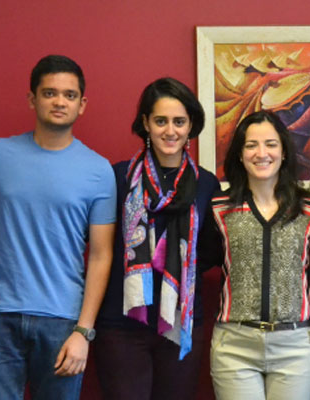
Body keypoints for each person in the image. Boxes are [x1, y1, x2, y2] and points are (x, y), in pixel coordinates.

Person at [0, 55, 116, 400]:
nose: (59, 102)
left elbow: (100, 255)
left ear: (82, 105)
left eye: (69, 95)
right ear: (32, 99)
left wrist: (84, 331)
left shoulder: (98, 171)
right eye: (49, 93)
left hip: (63, 321)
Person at [93, 77, 220, 400]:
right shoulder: (119, 177)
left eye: (179, 122)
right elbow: (99, 245)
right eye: (161, 121)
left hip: (181, 322)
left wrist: (170, 269)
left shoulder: (205, 184)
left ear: (191, 125)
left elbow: (211, 250)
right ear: (145, 123)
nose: (170, 131)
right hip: (121, 325)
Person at [210, 111, 310, 400]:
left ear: (284, 151)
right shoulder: (220, 207)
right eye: (251, 145)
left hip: (294, 344)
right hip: (235, 344)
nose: (262, 153)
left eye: (271, 144)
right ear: (239, 154)